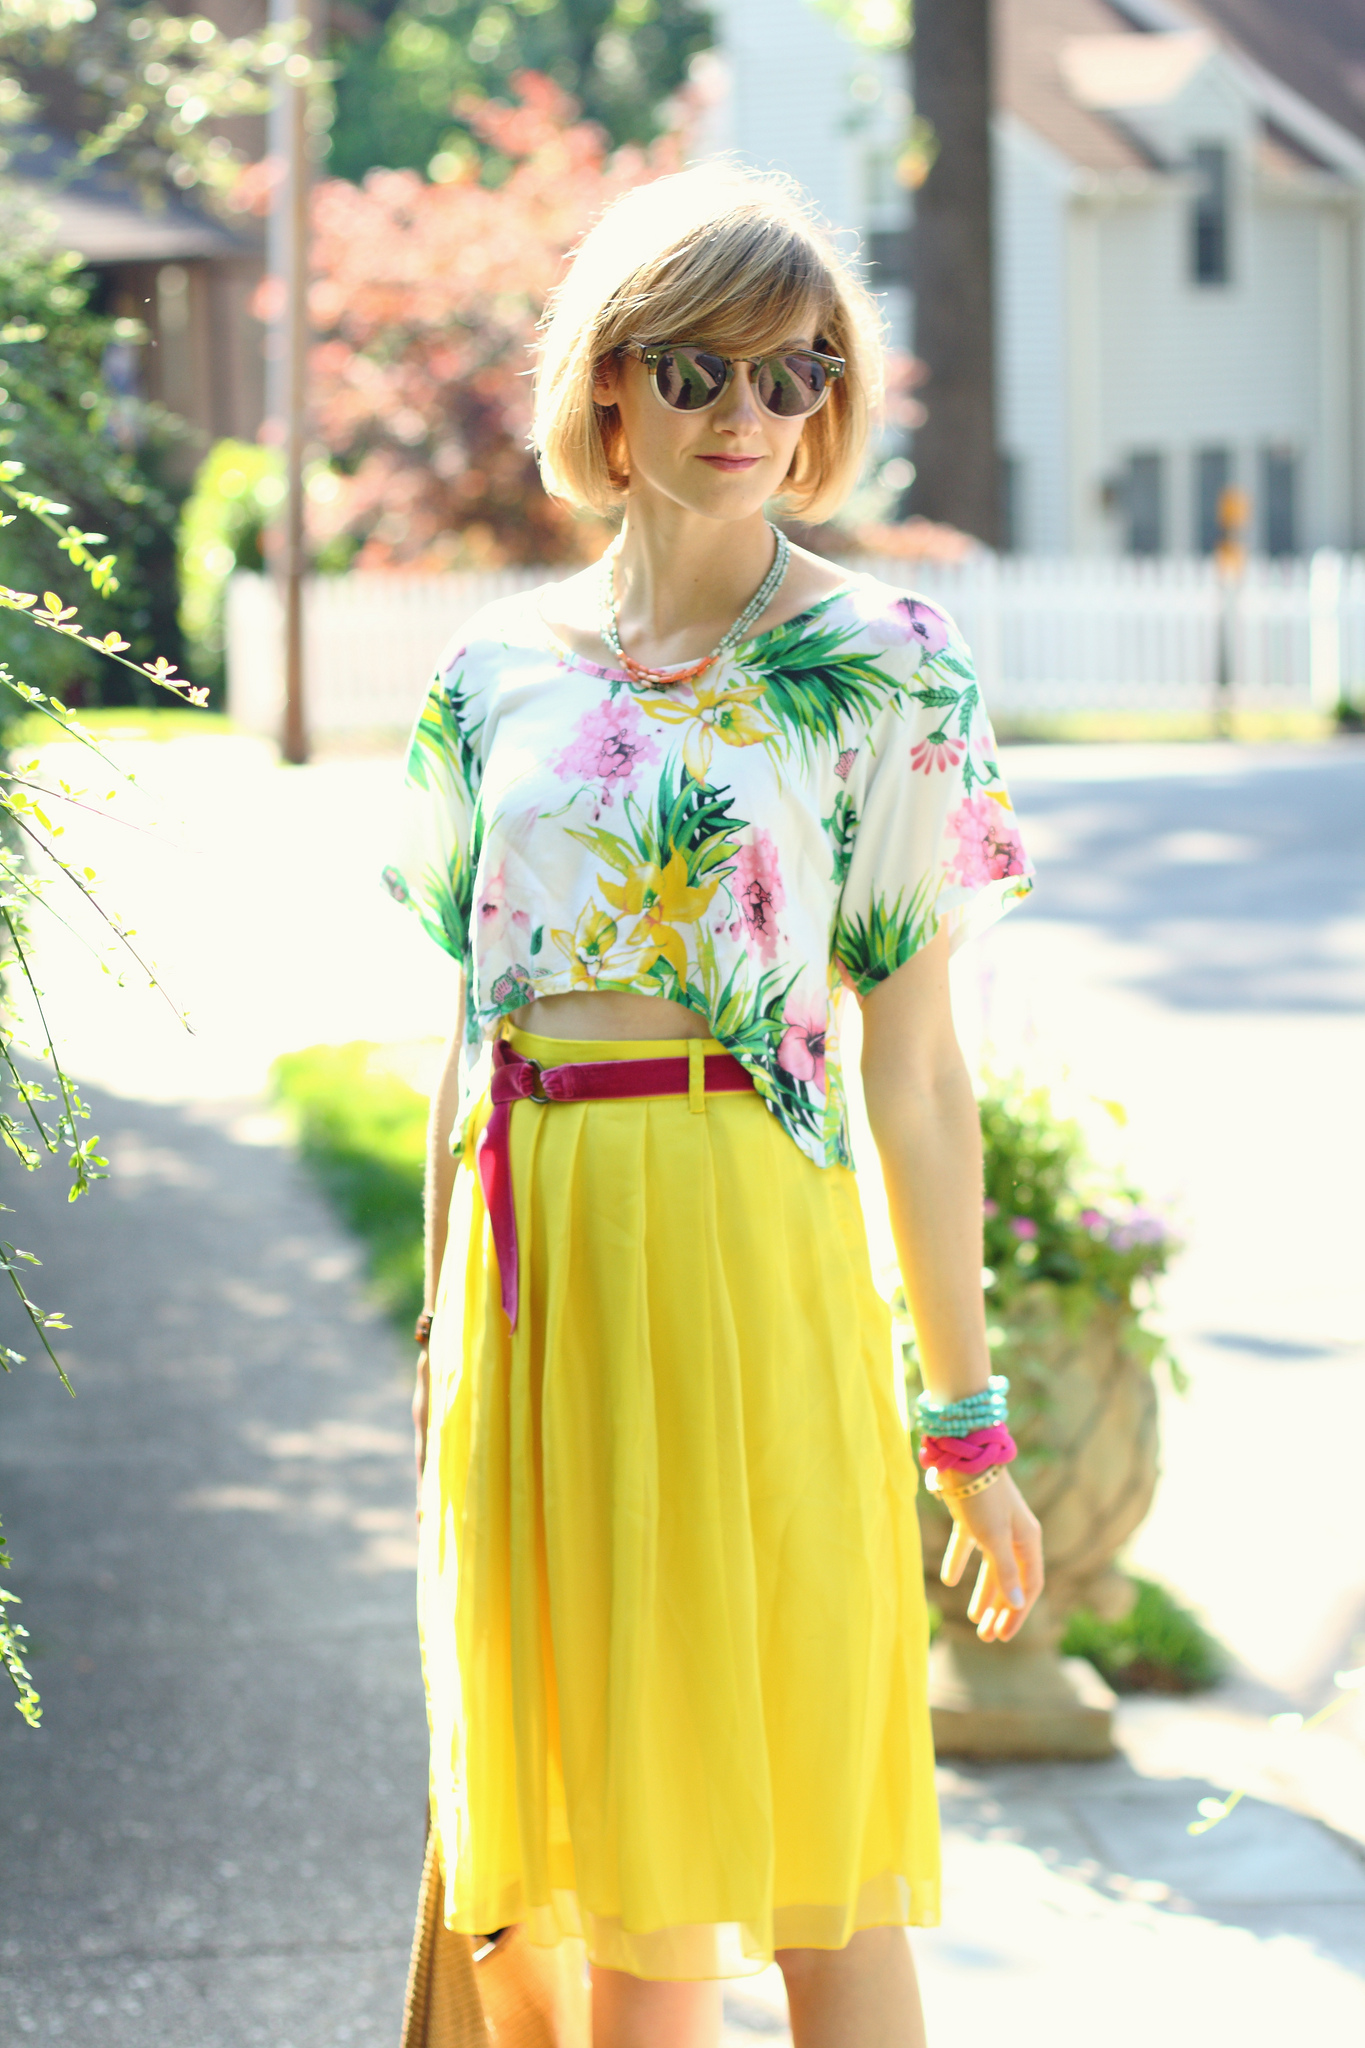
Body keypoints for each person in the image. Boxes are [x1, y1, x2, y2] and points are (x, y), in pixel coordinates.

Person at [386, 165, 1043, 2048]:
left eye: (796, 370)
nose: (752, 414)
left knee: (797, 1843)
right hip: (531, 1289)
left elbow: (916, 1073)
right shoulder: (483, 674)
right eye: (698, 370)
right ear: (606, 387)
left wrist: (967, 1421)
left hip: (748, 1252)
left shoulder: (885, 668)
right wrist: (440, 1326)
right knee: (579, 1879)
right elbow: (466, 1021)